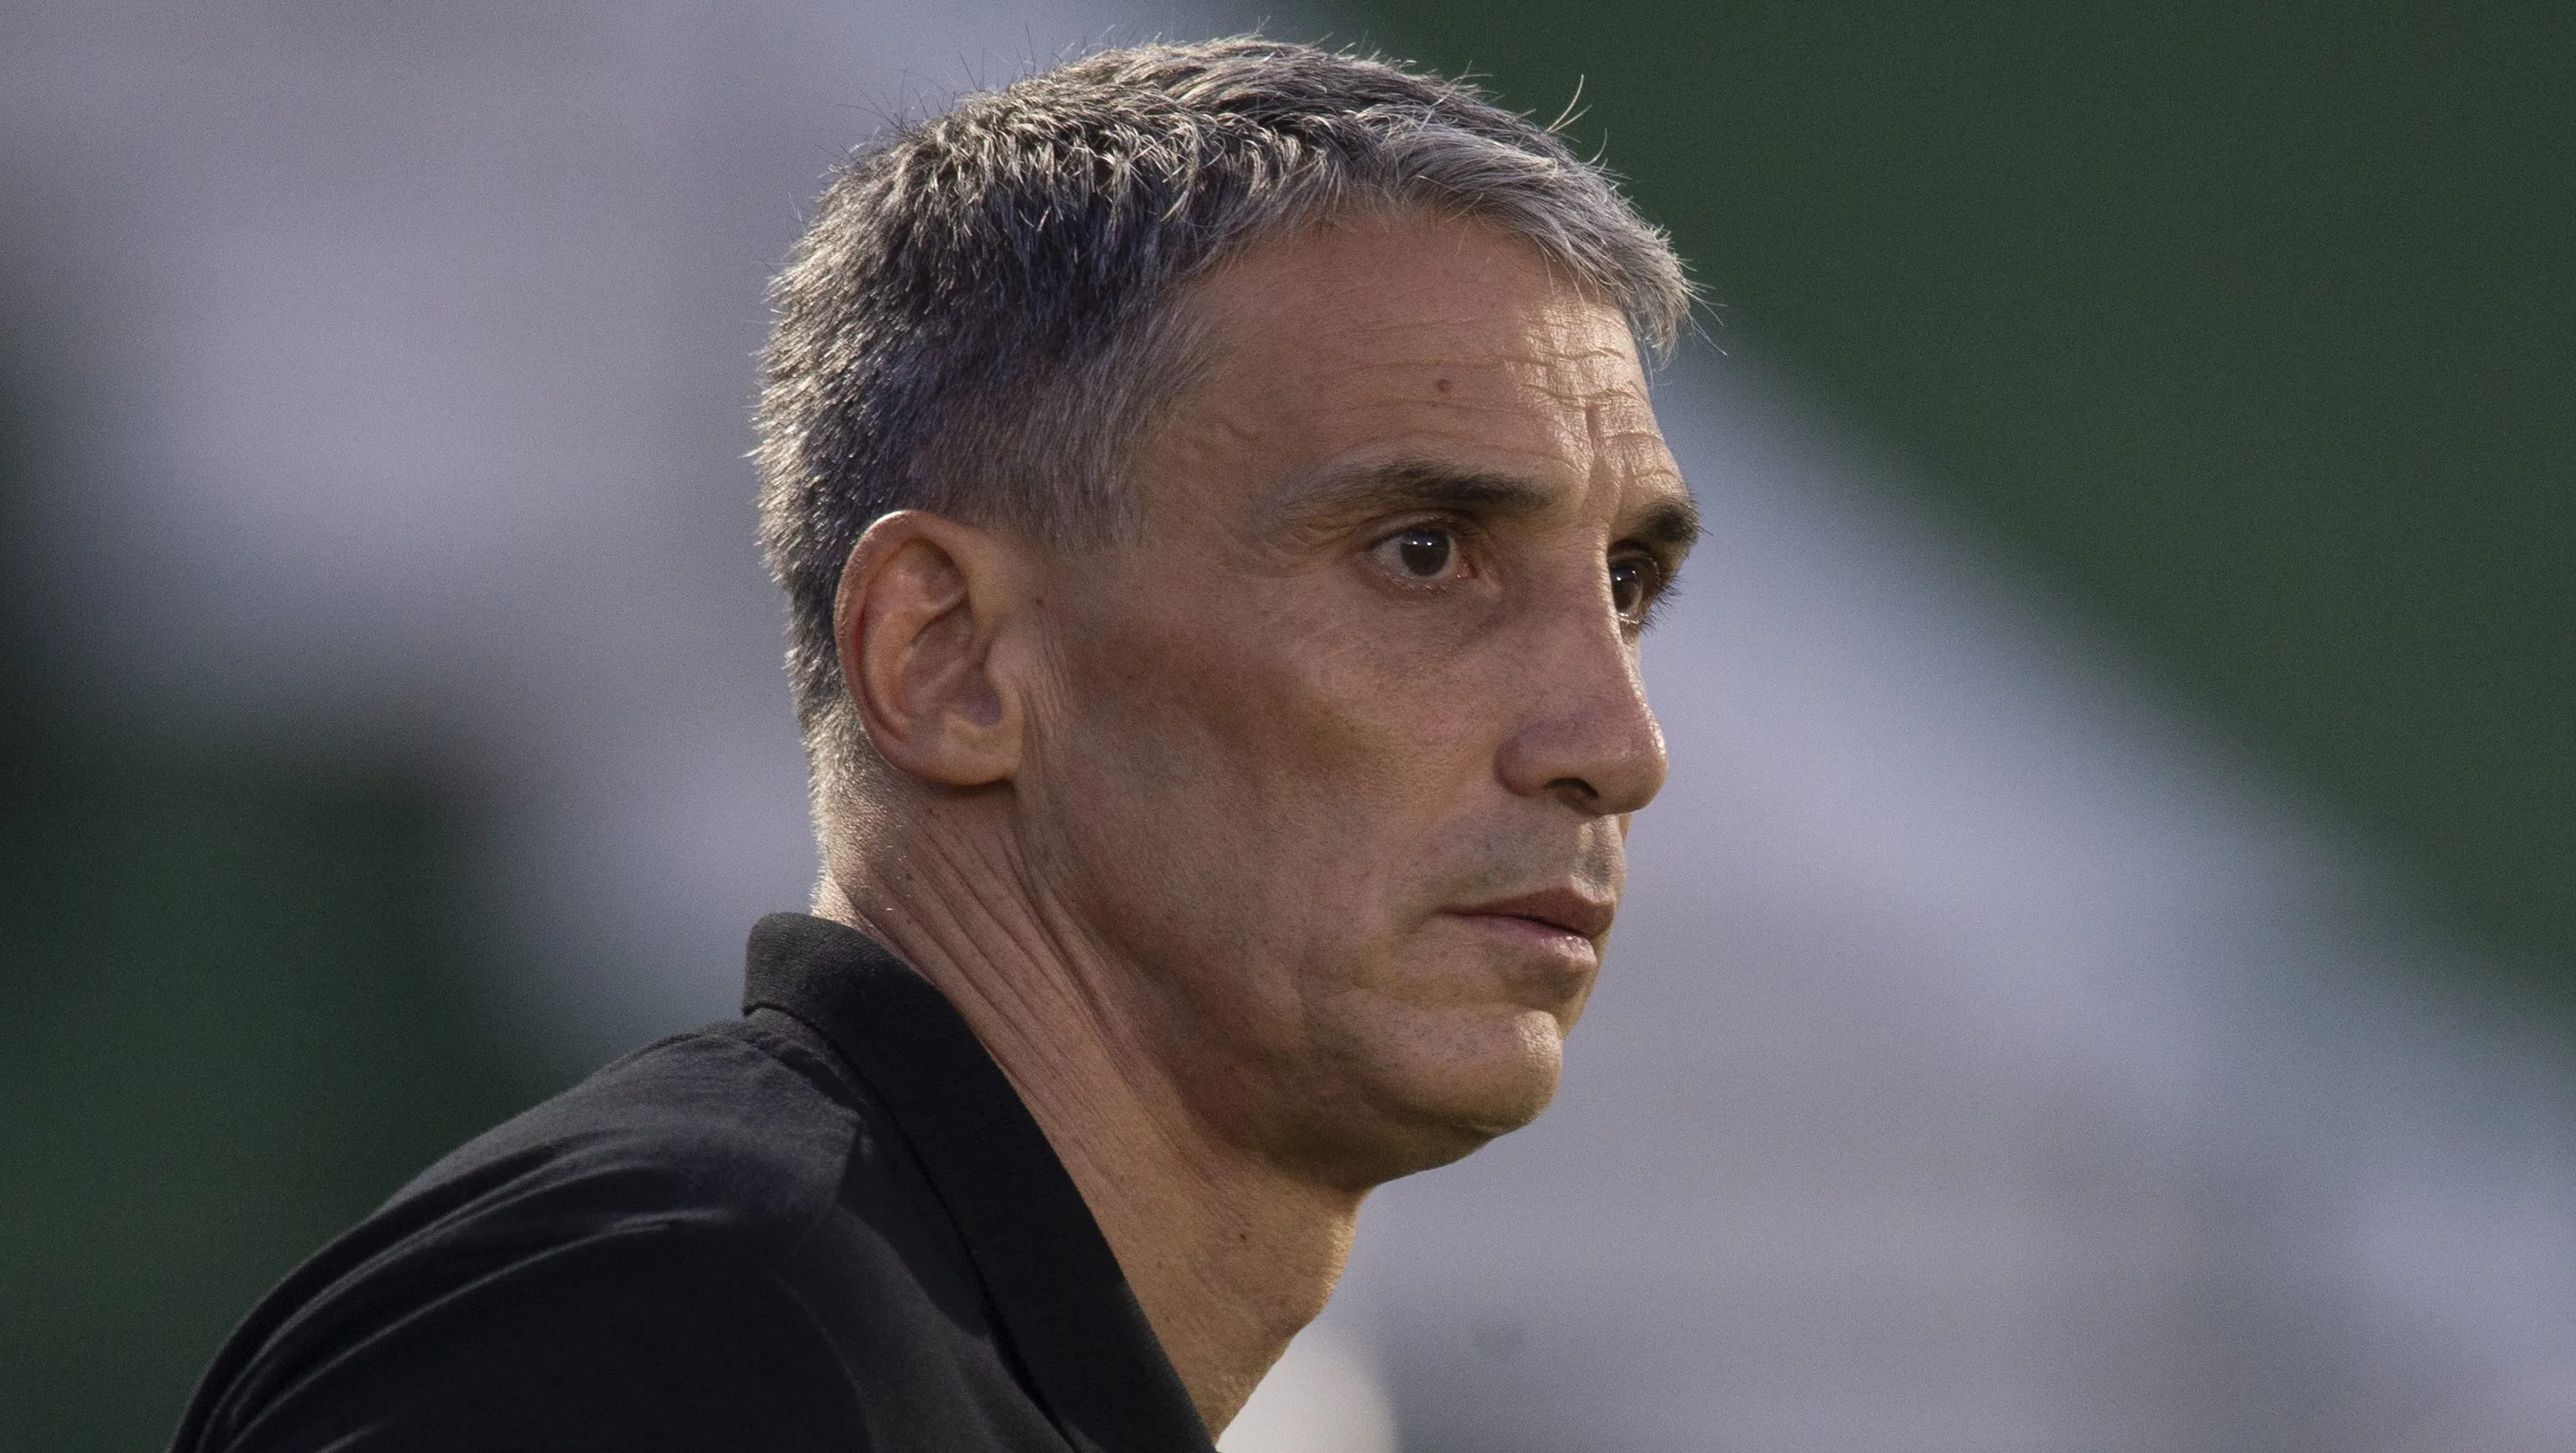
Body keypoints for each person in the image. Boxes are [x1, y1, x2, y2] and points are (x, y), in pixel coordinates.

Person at [172, 37, 1696, 1452]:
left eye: (1626, 583)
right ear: (946, 658)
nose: (1617, 744)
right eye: (1423, 552)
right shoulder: (668, 1331)